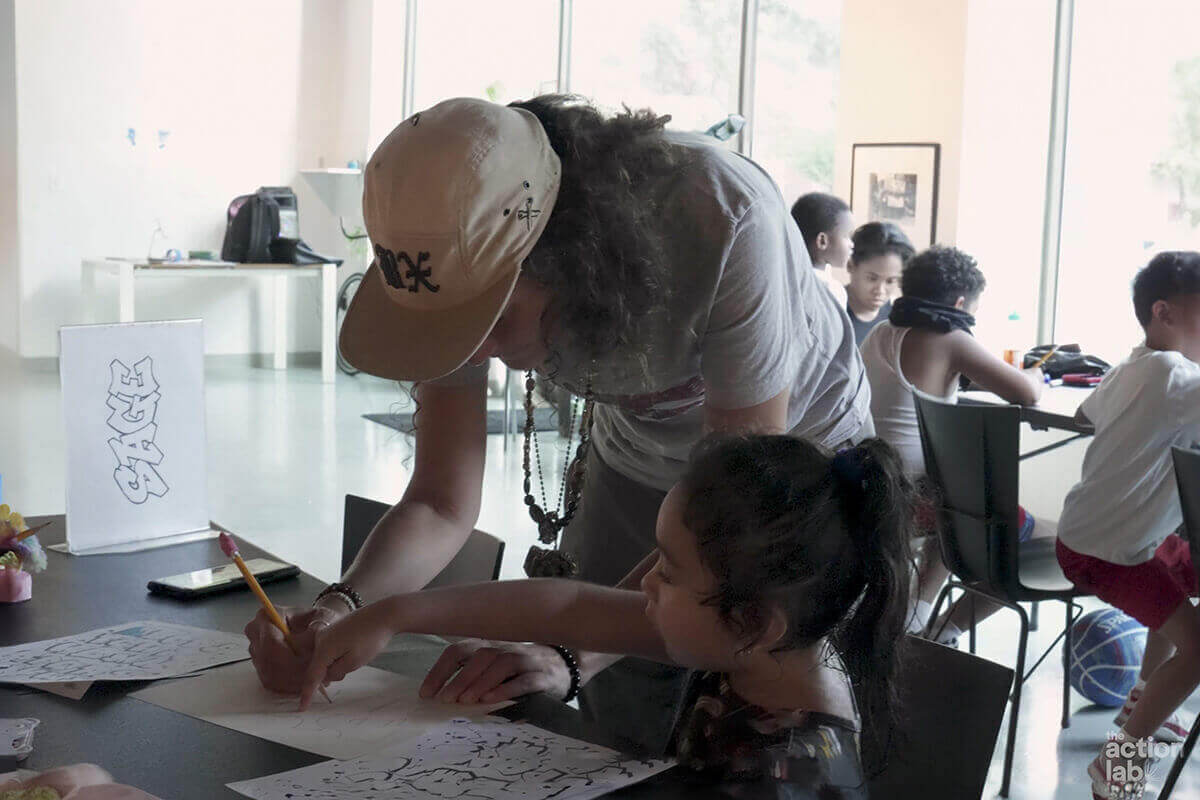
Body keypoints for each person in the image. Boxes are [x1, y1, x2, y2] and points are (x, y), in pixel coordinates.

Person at [244, 96, 873, 752]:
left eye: (495, 320)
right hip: (638, 452)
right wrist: (345, 609)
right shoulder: (451, 255)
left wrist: (574, 656)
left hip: (789, 470)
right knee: (613, 720)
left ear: (569, 258)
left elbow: (729, 526)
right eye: (450, 329)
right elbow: (439, 501)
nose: (472, 351)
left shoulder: (722, 216)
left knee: (731, 680)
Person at [296, 435, 914, 799]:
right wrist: (390, 613)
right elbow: (567, 607)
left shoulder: (787, 775)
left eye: (668, 572)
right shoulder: (758, 649)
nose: (644, 582)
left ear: (753, 621)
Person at [1055, 252, 1200, 798]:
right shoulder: (1173, 375)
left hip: (1098, 538)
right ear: (1163, 312)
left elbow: (1083, 415)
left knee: (1187, 575)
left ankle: (1147, 699)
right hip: (1112, 552)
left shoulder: (1136, 364)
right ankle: (1119, 762)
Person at [858, 246, 1046, 638]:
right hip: (913, 500)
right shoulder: (950, 338)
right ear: (961, 303)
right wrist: (1036, 374)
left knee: (957, 498)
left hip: (866, 484)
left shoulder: (880, 331)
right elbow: (1026, 394)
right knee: (1012, 528)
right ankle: (933, 625)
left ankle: (916, 616)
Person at [844, 222, 913, 345]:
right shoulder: (832, 309)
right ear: (851, 266)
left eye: (890, 281)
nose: (880, 290)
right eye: (872, 278)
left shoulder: (899, 319)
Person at [790, 192, 854, 307]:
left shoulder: (787, 277)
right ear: (822, 241)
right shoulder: (833, 291)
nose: (851, 244)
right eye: (846, 236)